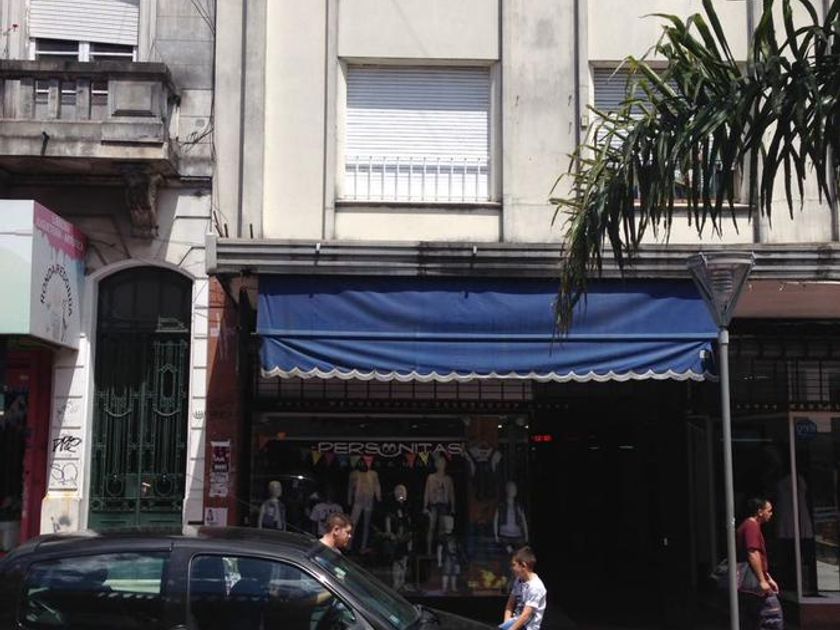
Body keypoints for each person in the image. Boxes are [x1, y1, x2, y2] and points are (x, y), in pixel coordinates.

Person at [737, 497, 784, 630]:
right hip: (754, 584)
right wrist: (762, 581)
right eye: (769, 510)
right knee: (772, 616)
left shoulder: (750, 525)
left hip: (752, 583)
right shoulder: (751, 526)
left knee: (753, 620)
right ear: (760, 512)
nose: (771, 514)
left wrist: (768, 577)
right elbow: (753, 553)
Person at [501, 546, 547, 630]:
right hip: (515, 623)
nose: (512, 568)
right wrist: (506, 625)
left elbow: (526, 615)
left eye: (514, 565)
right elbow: (510, 605)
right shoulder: (519, 580)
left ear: (523, 565)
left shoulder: (535, 587)